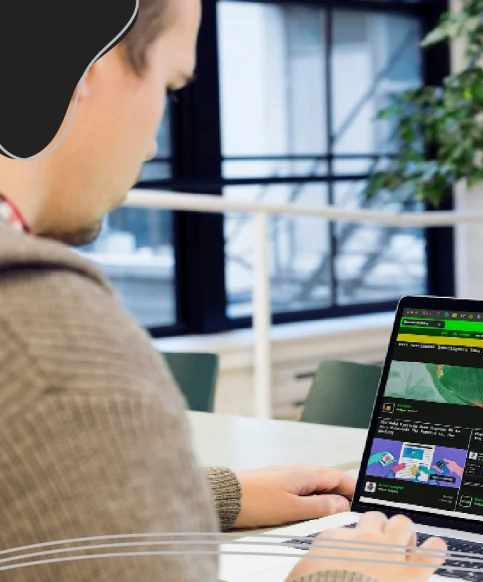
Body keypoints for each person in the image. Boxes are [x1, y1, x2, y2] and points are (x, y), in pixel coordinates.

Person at [0, 0, 445, 581]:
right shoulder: (47, 339)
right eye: (170, 83)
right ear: (84, 66)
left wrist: (212, 493)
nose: (156, 144)